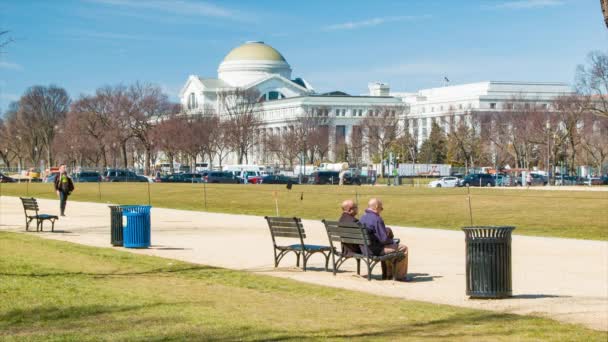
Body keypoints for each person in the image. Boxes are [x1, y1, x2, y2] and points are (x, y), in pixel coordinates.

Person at [359, 198, 409, 281]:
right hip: (374, 250)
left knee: (390, 248)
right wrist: (393, 241)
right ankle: (400, 276)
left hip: (364, 248)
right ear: (376, 207)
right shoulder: (377, 219)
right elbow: (384, 240)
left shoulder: (362, 218)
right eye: (381, 208)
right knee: (403, 248)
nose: (381, 210)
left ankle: (388, 274)